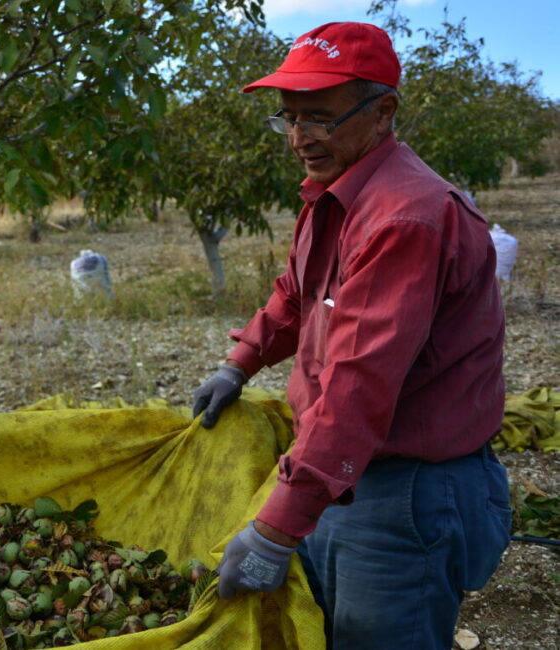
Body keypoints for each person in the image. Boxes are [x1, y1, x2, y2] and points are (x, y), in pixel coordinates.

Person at [190, 22, 512, 649]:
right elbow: (298, 293)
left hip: (404, 488)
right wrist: (240, 363)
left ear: (383, 111)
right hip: (342, 467)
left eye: (318, 118)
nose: (296, 139)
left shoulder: (405, 219)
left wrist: (276, 529)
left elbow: (358, 387)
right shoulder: (338, 193)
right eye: (287, 118)